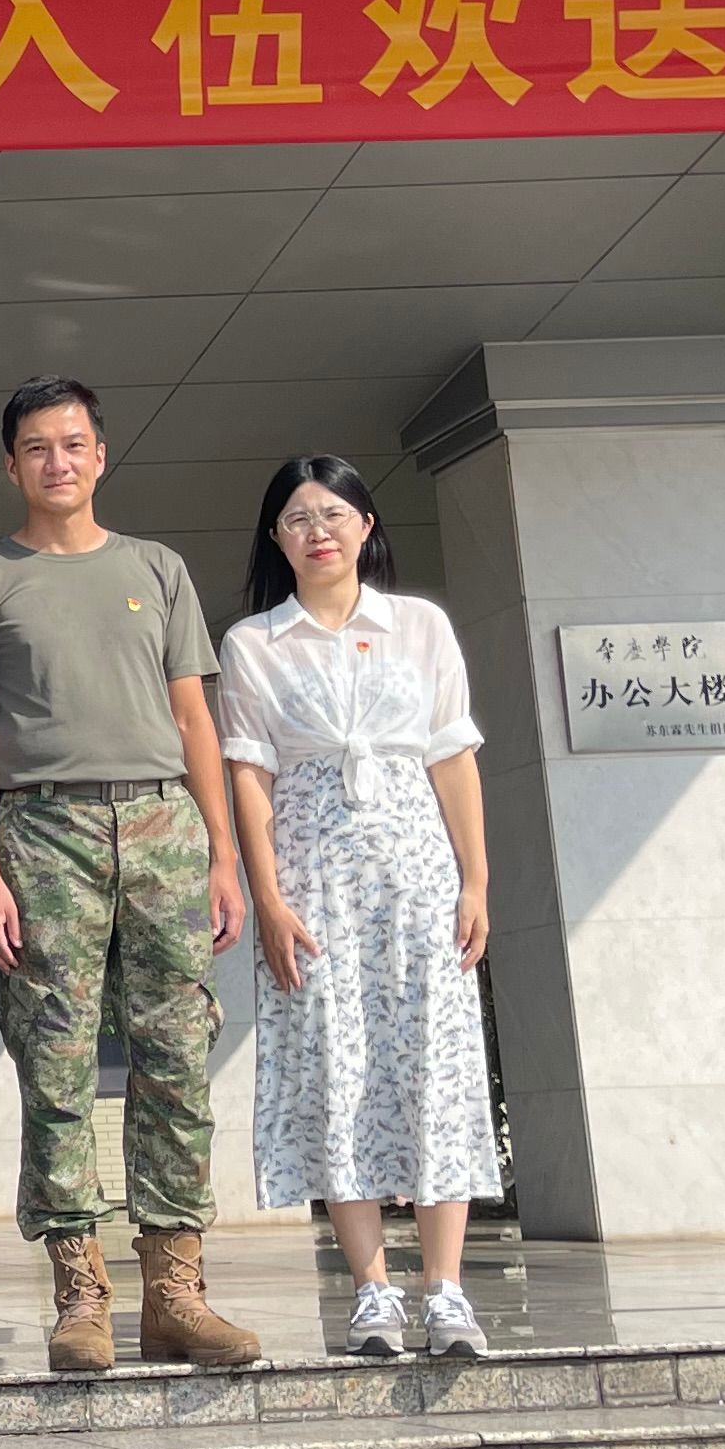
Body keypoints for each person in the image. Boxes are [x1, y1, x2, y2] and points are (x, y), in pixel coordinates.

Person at [0, 376, 260, 1377]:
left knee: (176, 1057)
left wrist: (222, 853)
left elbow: (195, 715)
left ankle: (176, 1292)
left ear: (101, 456)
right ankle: (81, 1294)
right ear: (11, 464)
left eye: (73, 444)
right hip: (44, 831)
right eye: (37, 446)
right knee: (55, 1059)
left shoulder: (155, 568)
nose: (57, 462)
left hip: (164, 822)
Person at [220, 457, 499, 1360]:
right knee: (334, 1064)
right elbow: (249, 775)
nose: (318, 532)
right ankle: (372, 1290)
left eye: (334, 514)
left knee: (435, 1058)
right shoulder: (255, 642)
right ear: (276, 538)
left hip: (416, 874)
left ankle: (446, 1288)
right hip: (315, 881)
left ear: (367, 525)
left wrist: (475, 880)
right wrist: (267, 896)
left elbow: (453, 756)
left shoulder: (420, 626)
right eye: (298, 519)